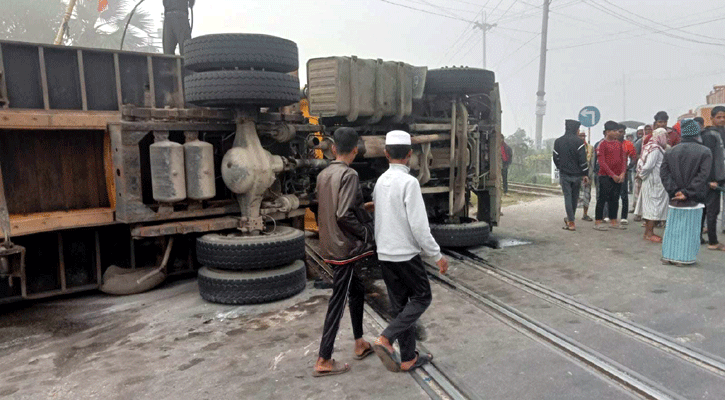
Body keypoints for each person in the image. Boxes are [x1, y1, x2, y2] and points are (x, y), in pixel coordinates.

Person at [372, 130, 448, 373]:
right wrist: (436, 255)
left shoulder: (380, 182)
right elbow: (418, 226)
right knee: (422, 297)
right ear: (410, 155)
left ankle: (408, 358)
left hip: (385, 254)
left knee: (401, 305)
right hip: (405, 254)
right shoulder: (409, 182)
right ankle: (386, 337)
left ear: (386, 154)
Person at [313, 127, 375, 377]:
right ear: (356, 150)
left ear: (334, 149)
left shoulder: (324, 174)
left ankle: (359, 342)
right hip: (344, 248)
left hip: (330, 243)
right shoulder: (349, 174)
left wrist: (362, 208)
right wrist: (366, 233)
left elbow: (334, 208)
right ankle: (324, 359)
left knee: (356, 290)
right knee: (338, 301)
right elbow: (343, 214)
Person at [660, 119, 712, 265]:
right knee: (690, 230)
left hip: (675, 199)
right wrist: (687, 192)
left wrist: (675, 191)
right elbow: (703, 175)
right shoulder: (705, 151)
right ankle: (683, 258)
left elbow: (664, 174)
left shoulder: (670, 151)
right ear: (697, 133)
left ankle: (669, 255)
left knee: (673, 228)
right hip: (694, 198)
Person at [634, 128, 669, 242]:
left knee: (652, 207)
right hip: (654, 182)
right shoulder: (655, 149)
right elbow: (648, 166)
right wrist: (641, 176)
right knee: (653, 208)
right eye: (665, 136)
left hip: (653, 182)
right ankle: (649, 233)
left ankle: (649, 232)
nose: (667, 139)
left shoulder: (650, 147)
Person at [553, 120, 589, 230]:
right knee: (574, 197)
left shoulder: (558, 141)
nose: (579, 131)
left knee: (567, 197)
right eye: (578, 129)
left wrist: (561, 167)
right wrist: (585, 174)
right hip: (577, 175)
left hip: (564, 174)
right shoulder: (579, 143)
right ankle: (571, 220)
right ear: (575, 129)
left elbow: (555, 158)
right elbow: (583, 160)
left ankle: (571, 221)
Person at [699, 106, 725, 250]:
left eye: (724, 117)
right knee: (711, 210)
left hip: (719, 177)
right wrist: (710, 180)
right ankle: (713, 242)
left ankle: (699, 237)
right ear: (712, 118)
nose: (722, 120)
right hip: (712, 179)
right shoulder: (709, 135)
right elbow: (708, 159)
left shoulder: (719, 133)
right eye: (719, 117)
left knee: (706, 209)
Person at [594, 121, 627, 231]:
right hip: (605, 176)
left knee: (615, 199)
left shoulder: (619, 144)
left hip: (618, 176)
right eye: (613, 131)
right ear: (607, 132)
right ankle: (598, 221)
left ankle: (614, 220)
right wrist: (612, 175)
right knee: (602, 199)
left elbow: (624, 160)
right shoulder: (602, 144)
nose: (616, 133)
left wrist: (622, 173)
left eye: (617, 131)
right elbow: (602, 162)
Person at [618, 124, 637, 224]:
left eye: (621, 131)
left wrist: (629, 167)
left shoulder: (628, 144)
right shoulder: (610, 143)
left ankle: (624, 217)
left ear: (624, 133)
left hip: (624, 173)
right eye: (618, 131)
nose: (619, 133)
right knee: (612, 195)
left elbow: (634, 157)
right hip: (612, 173)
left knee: (624, 195)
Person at [578, 129, 595, 221]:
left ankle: (585, 214)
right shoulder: (574, 147)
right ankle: (571, 215)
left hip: (587, 176)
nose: (582, 137)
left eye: (583, 136)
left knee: (587, 195)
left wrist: (589, 176)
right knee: (575, 196)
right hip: (576, 175)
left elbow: (592, 163)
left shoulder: (590, 148)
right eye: (580, 135)